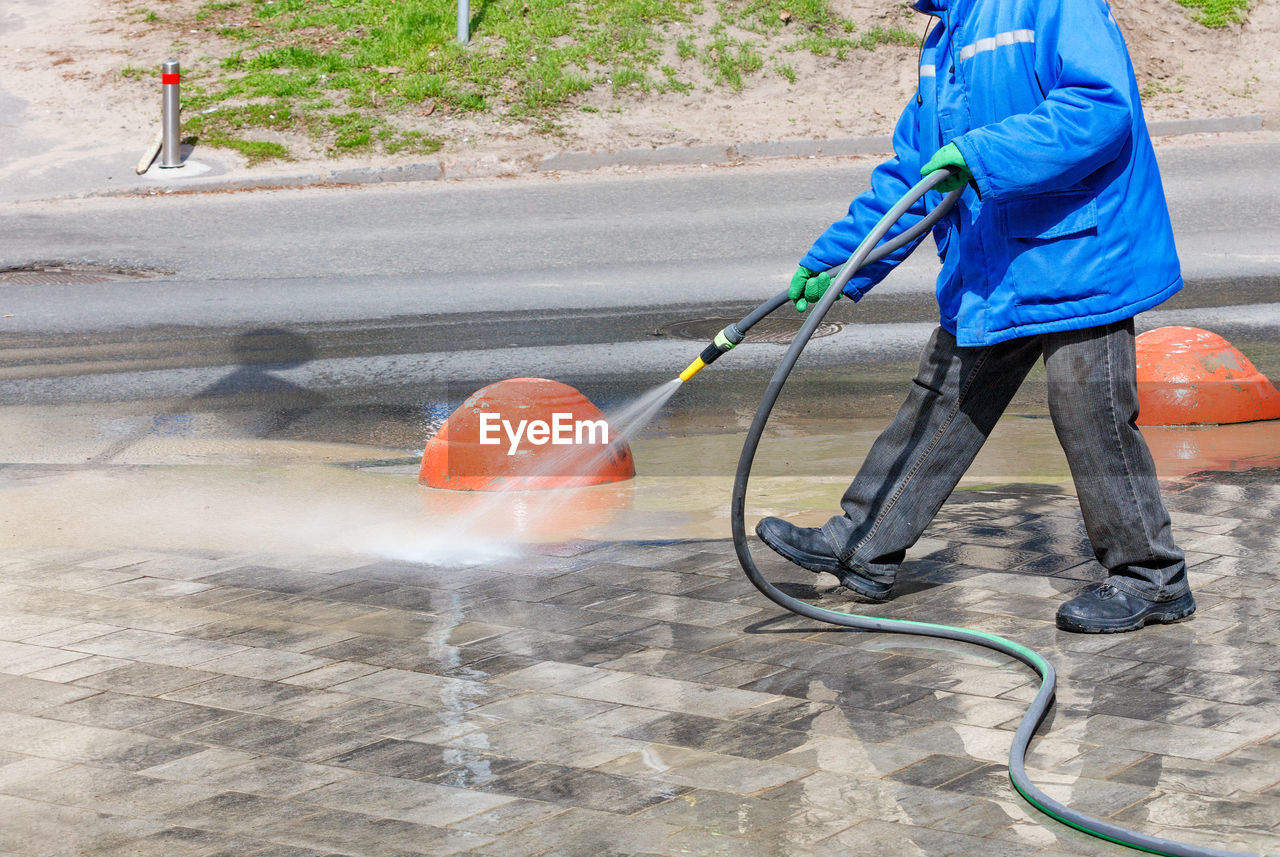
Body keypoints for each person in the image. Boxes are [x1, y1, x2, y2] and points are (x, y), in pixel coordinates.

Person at [755, 0, 1195, 633]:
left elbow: (1100, 108)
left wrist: (982, 152)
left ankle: (1151, 578)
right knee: (944, 397)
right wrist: (841, 261)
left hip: (1081, 254)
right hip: (1000, 261)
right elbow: (915, 172)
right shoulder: (945, 36)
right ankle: (862, 541)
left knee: (1088, 411)